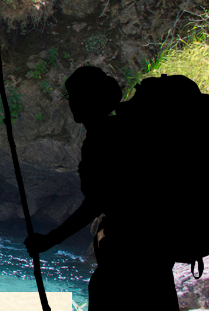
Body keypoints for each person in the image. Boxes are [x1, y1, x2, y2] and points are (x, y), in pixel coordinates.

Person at [24, 66, 178, 310]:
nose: (71, 103)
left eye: (74, 96)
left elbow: (96, 202)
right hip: (157, 251)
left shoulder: (102, 139)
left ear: (90, 99)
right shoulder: (127, 130)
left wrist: (51, 239)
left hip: (129, 253)